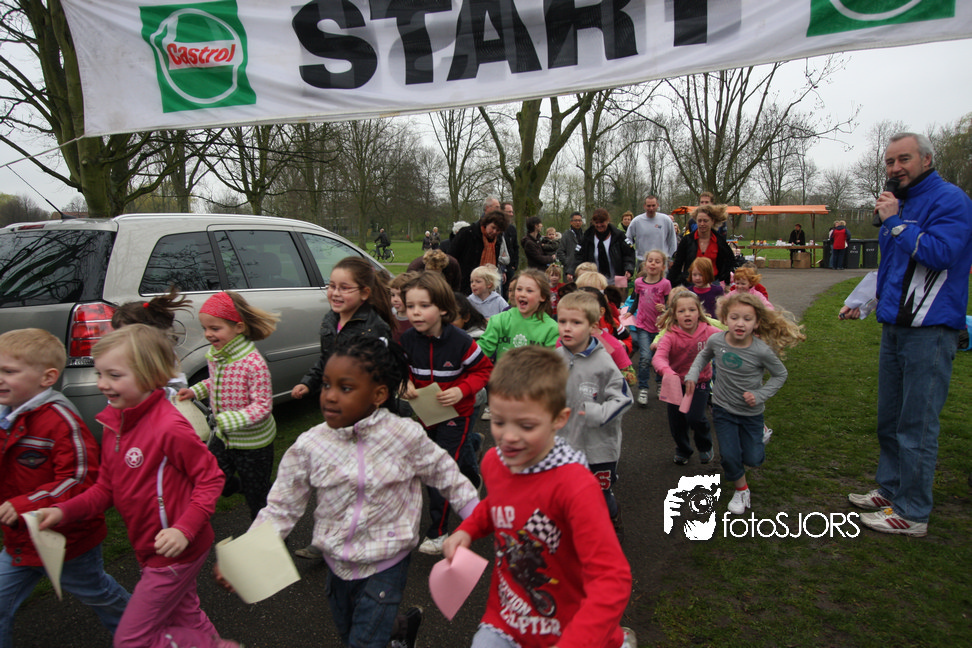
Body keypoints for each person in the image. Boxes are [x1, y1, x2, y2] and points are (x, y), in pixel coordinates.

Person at [239, 336, 478, 647]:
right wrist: (247, 561)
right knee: (351, 631)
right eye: (326, 385)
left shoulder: (404, 435)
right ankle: (401, 629)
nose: (330, 396)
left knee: (363, 642)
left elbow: (447, 475)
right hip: (337, 563)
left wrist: (476, 521)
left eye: (346, 388)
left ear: (378, 394)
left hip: (387, 562)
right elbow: (281, 506)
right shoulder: (310, 445)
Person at [36, 325, 237, 648]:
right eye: (100, 373)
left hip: (177, 550)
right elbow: (106, 489)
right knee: (185, 614)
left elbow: (210, 477)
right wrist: (62, 512)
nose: (102, 383)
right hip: (148, 546)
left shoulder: (169, 426)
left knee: (131, 639)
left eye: (114, 375)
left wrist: (183, 529)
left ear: (149, 375)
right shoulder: (113, 423)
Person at [442, 346, 636, 648]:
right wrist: (467, 530)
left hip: (571, 626)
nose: (509, 437)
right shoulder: (495, 462)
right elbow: (499, 503)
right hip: (506, 619)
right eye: (499, 422)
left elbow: (612, 578)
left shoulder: (575, 486)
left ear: (559, 419)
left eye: (526, 425)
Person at [843, 131, 972, 537]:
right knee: (890, 418)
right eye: (889, 161)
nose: (895, 168)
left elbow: (940, 254)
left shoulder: (950, 200)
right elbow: (894, 267)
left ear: (926, 160)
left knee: (916, 424)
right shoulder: (899, 203)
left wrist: (896, 223)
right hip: (895, 326)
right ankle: (891, 487)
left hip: (930, 330)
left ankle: (913, 512)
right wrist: (865, 301)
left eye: (904, 159)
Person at [0, 329, 131, 648]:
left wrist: (25, 504)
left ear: (47, 377)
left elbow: (79, 478)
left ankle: (143, 629)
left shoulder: (60, 420)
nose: (0, 379)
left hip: (68, 538)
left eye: (9, 371)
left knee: (98, 593)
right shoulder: (6, 416)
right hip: (20, 540)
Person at [291, 257, 394, 558]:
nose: (335, 293)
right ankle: (329, 538)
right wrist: (309, 382)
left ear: (364, 293)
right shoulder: (329, 320)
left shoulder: (374, 328)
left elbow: (381, 376)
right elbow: (327, 360)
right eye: (331, 286)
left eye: (344, 288)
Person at [684, 293, 805, 515]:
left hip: (751, 414)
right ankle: (741, 490)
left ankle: (761, 432)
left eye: (747, 319)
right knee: (729, 456)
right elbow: (703, 356)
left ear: (756, 323)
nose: (740, 323)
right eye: (735, 317)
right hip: (722, 408)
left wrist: (760, 395)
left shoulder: (761, 350)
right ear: (724, 319)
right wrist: (692, 374)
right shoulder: (716, 341)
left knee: (753, 459)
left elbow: (780, 374)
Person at [399, 272, 493, 555]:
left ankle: (438, 532)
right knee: (447, 463)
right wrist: (405, 383)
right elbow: (400, 369)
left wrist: (462, 390)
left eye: (424, 305)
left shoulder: (460, 340)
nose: (415, 312)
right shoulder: (407, 339)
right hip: (426, 415)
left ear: (442, 308)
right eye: (410, 306)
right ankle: (471, 458)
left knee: (437, 468)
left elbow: (484, 370)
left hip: (457, 415)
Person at [177, 291, 279, 521]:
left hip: (254, 444)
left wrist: (224, 420)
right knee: (210, 479)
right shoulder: (218, 355)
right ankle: (243, 485)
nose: (208, 334)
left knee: (258, 502)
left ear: (238, 327)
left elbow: (263, 407)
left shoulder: (253, 364)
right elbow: (215, 381)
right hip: (224, 438)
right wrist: (195, 391)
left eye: (215, 328)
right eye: (205, 328)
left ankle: (272, 535)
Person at [555, 292, 633, 542]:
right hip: (564, 445)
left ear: (592, 327)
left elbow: (624, 398)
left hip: (598, 448)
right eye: (562, 321)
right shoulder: (553, 359)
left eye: (576, 322)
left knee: (600, 495)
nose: (567, 328)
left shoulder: (604, 362)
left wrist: (596, 413)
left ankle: (612, 515)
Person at [652, 289, 721, 465]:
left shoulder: (709, 331)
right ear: (674, 315)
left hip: (700, 382)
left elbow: (728, 340)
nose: (687, 314)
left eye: (691, 310)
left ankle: (704, 445)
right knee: (677, 423)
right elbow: (659, 357)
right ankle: (683, 450)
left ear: (699, 312)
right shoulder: (670, 335)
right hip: (675, 382)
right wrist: (667, 371)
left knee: (695, 417)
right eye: (681, 311)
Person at [478, 268, 560, 361]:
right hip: (503, 370)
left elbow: (554, 363)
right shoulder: (499, 320)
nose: (522, 294)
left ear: (542, 296)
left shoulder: (551, 329)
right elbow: (481, 351)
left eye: (529, 291)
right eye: (519, 289)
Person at [632, 250, 672, 405]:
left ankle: (660, 383)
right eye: (650, 260)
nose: (653, 264)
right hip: (643, 325)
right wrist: (629, 312)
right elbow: (636, 300)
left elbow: (670, 304)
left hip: (660, 327)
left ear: (663, 266)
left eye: (657, 261)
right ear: (645, 263)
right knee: (645, 358)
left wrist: (665, 308)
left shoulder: (665, 284)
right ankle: (643, 388)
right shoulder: (638, 282)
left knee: (660, 358)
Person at [668, 204, 736, 288]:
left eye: (705, 221)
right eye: (699, 221)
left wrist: (727, 283)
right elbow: (677, 264)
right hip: (691, 282)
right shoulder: (687, 240)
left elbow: (727, 263)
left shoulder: (719, 241)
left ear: (712, 221)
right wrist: (670, 285)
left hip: (713, 282)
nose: (702, 224)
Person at [450, 208, 509, 295]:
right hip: (464, 283)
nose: (494, 232)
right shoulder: (467, 233)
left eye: (498, 230)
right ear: (487, 223)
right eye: (493, 228)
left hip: (485, 286)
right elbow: (452, 256)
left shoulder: (498, 240)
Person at [575, 208, 636, 282]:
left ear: (608, 220)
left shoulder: (619, 236)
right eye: (596, 223)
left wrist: (629, 269)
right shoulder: (587, 237)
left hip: (619, 278)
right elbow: (578, 257)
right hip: (594, 281)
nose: (599, 225)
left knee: (620, 290)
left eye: (602, 222)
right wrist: (571, 271)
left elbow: (629, 254)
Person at [626, 195, 677, 263]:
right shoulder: (636, 221)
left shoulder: (666, 220)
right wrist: (630, 251)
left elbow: (672, 240)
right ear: (644, 206)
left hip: (662, 261)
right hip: (643, 261)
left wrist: (671, 259)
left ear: (657, 205)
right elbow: (627, 238)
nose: (651, 208)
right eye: (648, 206)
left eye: (653, 205)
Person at [557, 211, 585, 281]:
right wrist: (567, 262)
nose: (578, 222)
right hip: (569, 270)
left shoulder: (584, 235)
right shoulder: (566, 235)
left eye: (579, 220)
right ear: (571, 222)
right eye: (575, 220)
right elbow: (560, 251)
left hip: (582, 270)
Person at [501, 202, 520, 296]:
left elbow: (515, 246)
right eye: (508, 212)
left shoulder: (512, 228)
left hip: (510, 267)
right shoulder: (498, 228)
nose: (511, 214)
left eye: (512, 212)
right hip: (501, 266)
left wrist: (515, 265)